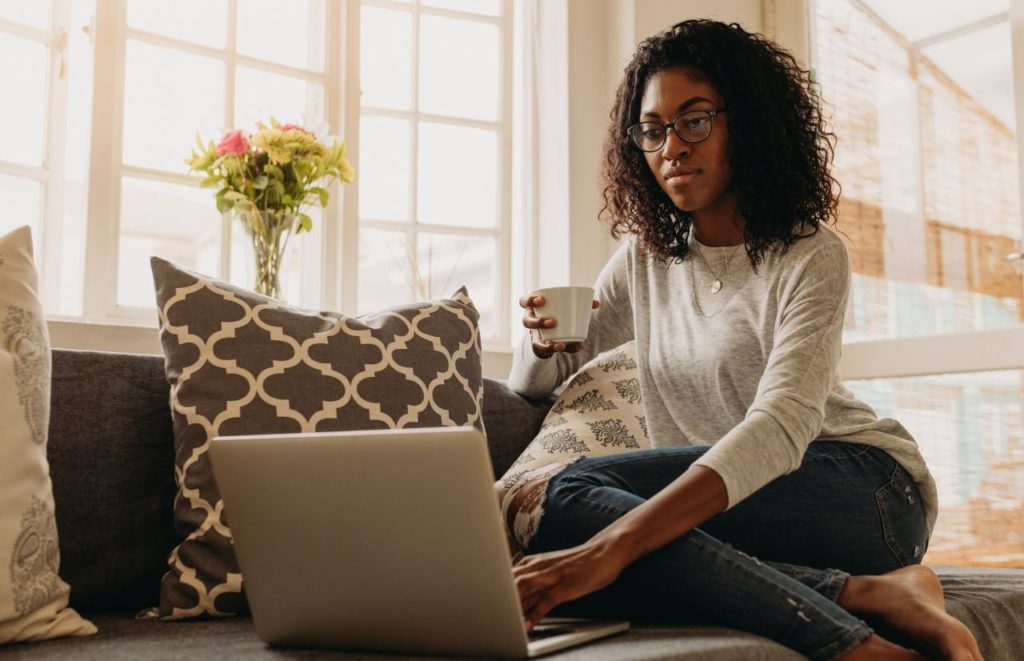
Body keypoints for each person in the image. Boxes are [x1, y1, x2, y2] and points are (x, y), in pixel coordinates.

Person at [505, 19, 982, 661]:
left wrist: (610, 547)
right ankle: (865, 595)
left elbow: (781, 428)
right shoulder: (644, 260)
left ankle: (853, 645)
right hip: (736, 513)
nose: (671, 147)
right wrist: (539, 350)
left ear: (750, 124)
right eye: (652, 130)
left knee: (570, 503)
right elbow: (539, 385)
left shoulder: (811, 255)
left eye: (695, 120)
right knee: (553, 538)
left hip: (859, 489)